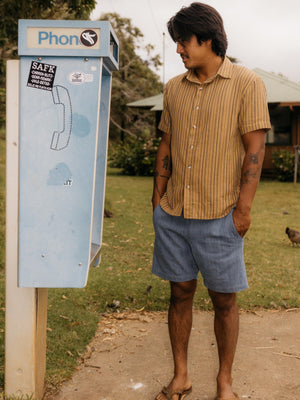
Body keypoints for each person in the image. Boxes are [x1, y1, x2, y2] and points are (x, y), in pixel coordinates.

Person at [151, 3, 271, 400]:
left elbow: (255, 146)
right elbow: (166, 143)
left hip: (221, 215)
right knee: (179, 294)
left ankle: (225, 382)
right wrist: (157, 197)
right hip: (173, 214)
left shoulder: (247, 83)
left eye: (184, 41)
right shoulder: (173, 88)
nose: (180, 50)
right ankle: (181, 375)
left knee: (223, 301)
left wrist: (244, 208)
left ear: (207, 39)